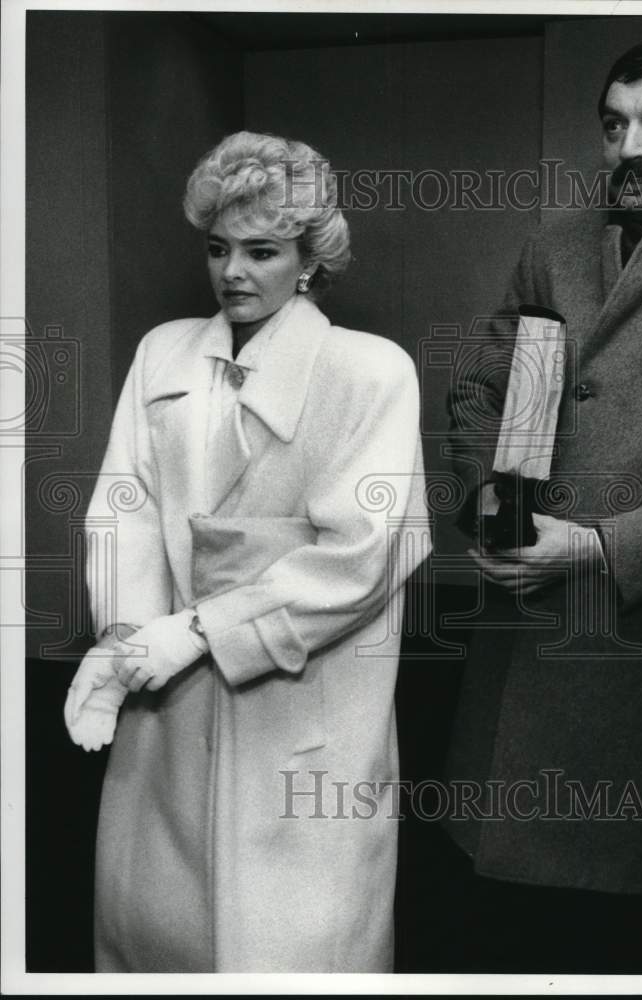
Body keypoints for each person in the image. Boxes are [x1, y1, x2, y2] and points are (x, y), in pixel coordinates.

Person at [63, 131, 429, 973]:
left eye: (262, 251)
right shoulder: (164, 352)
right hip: (166, 692)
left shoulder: (370, 371)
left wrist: (197, 628)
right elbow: (125, 506)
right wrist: (128, 642)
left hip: (302, 702)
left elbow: (362, 557)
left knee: (293, 945)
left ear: (309, 260)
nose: (232, 272)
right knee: (157, 932)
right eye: (218, 248)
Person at [441, 39, 642, 973]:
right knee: (492, 935)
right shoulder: (553, 245)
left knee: (617, 952)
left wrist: (594, 546)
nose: (632, 144)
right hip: (516, 657)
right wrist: (491, 501)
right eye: (615, 123)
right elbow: (480, 394)